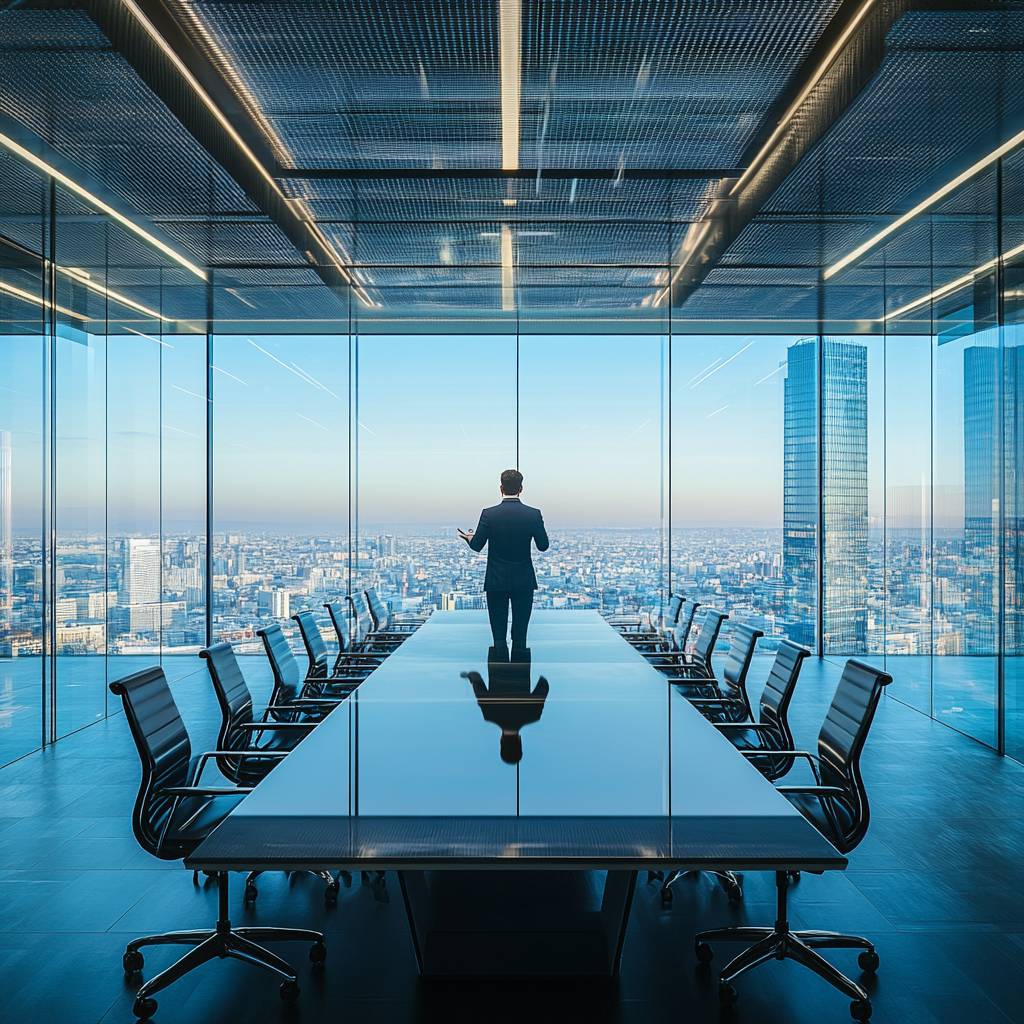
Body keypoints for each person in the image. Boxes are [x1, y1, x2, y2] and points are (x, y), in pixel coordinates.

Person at [458, 469, 549, 653]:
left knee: (498, 637)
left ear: (501, 488)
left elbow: (477, 546)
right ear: (521, 488)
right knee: (520, 635)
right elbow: (543, 546)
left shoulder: (489, 514)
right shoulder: (533, 514)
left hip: (496, 581)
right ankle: (521, 676)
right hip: (524, 580)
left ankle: (498, 676)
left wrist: (469, 538)